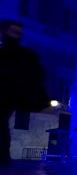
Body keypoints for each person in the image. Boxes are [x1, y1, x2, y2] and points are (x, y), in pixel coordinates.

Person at [0, 20, 51, 165]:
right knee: (2, 123)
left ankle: (3, 157)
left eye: (18, 32)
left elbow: (36, 75)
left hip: (9, 94)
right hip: (11, 94)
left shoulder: (24, 55)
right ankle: (3, 157)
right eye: (14, 32)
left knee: (2, 122)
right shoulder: (24, 55)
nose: (16, 35)